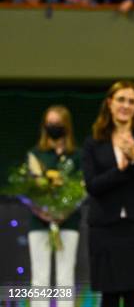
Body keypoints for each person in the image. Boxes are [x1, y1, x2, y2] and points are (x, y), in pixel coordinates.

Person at [82, 80, 134, 307]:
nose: (126, 105)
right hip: (105, 225)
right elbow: (92, 185)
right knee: (109, 294)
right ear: (109, 103)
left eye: (132, 101)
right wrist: (121, 169)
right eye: (121, 100)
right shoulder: (93, 142)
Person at [27, 105, 81, 307]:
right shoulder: (35, 154)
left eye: (58, 123)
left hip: (68, 222)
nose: (53, 127)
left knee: (65, 277)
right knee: (39, 278)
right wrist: (43, 211)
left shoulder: (77, 156)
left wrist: (63, 210)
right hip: (38, 223)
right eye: (49, 123)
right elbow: (28, 189)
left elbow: (81, 188)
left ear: (66, 126)